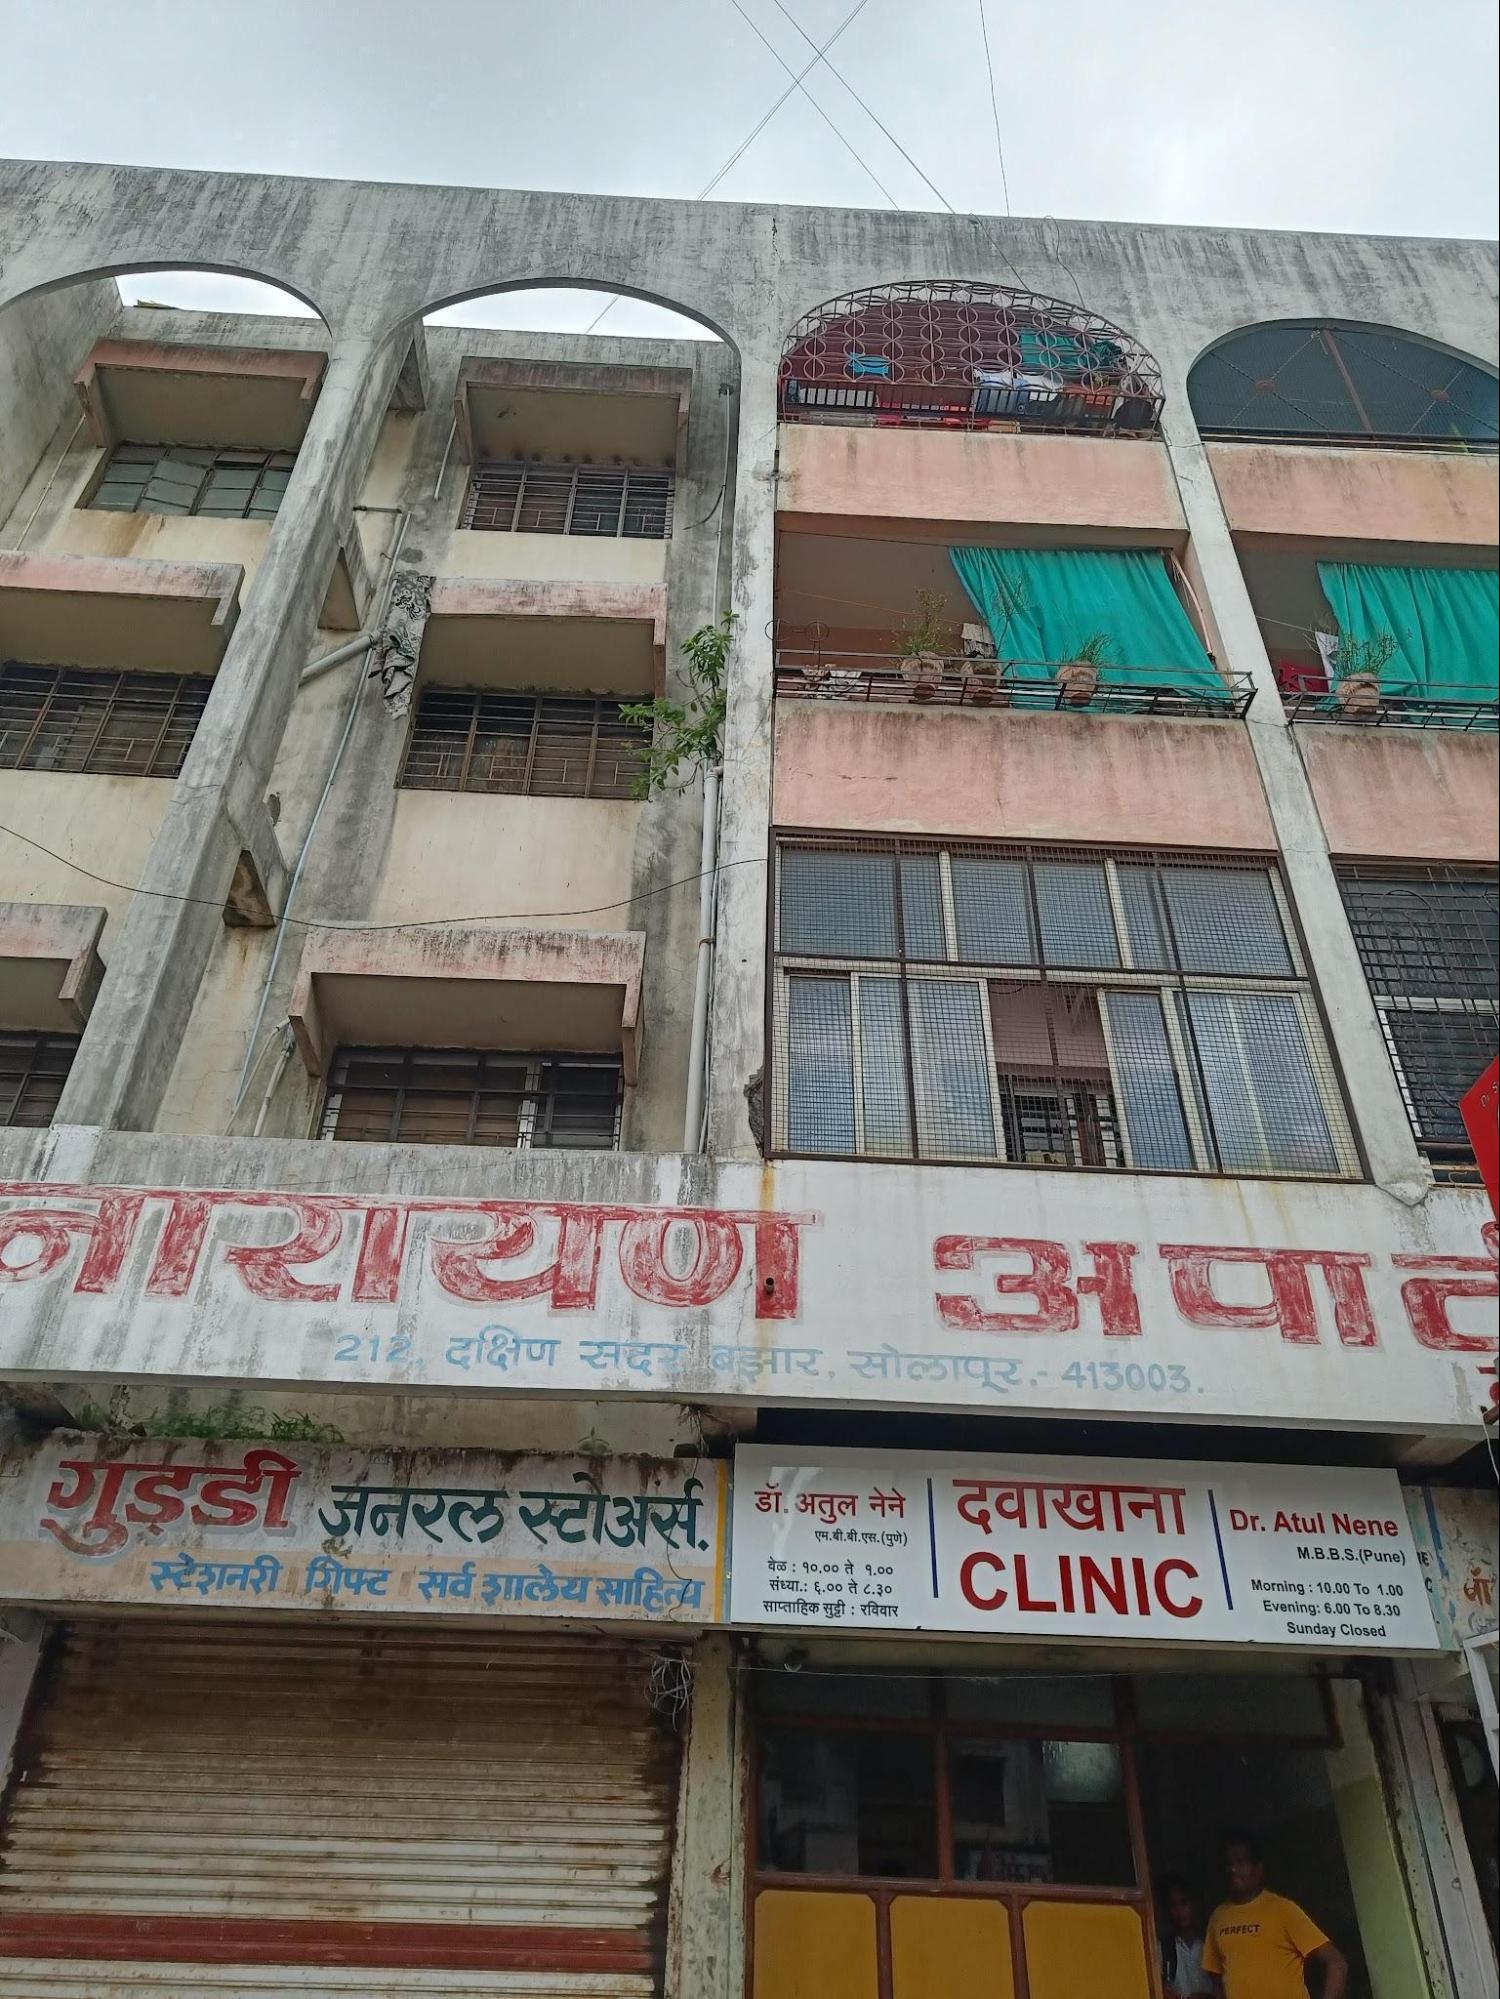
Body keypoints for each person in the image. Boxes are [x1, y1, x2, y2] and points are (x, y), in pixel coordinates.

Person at [1203, 1830, 1348, 1999]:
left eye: (1240, 1862)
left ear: (1258, 1869)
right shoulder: (1218, 1917)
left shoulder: (1283, 1909)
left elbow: (1336, 1962)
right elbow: (1216, 1979)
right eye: (1228, 1864)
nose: (1233, 1869)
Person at [1160, 1875, 1215, 1997]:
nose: (1179, 1911)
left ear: (1195, 1904)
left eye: (1184, 1902)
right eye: (1173, 1906)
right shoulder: (1163, 1949)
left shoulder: (1211, 1943)